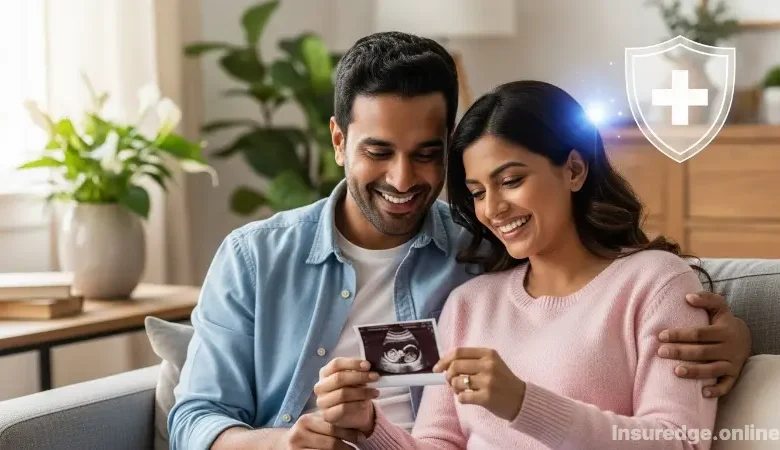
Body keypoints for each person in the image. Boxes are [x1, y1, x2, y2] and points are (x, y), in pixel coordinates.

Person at [168, 32, 751, 450]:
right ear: (339, 142)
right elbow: (194, 416)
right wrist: (335, 433)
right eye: (378, 152)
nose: (402, 180)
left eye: (426, 155)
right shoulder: (259, 259)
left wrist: (739, 334)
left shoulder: (470, 256)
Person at [313, 80, 724, 449]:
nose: (492, 209)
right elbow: (438, 444)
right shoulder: (469, 303)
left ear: (575, 170)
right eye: (477, 191)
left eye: (510, 181)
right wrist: (368, 426)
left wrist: (523, 403)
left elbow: (680, 441)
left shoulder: (655, 283)